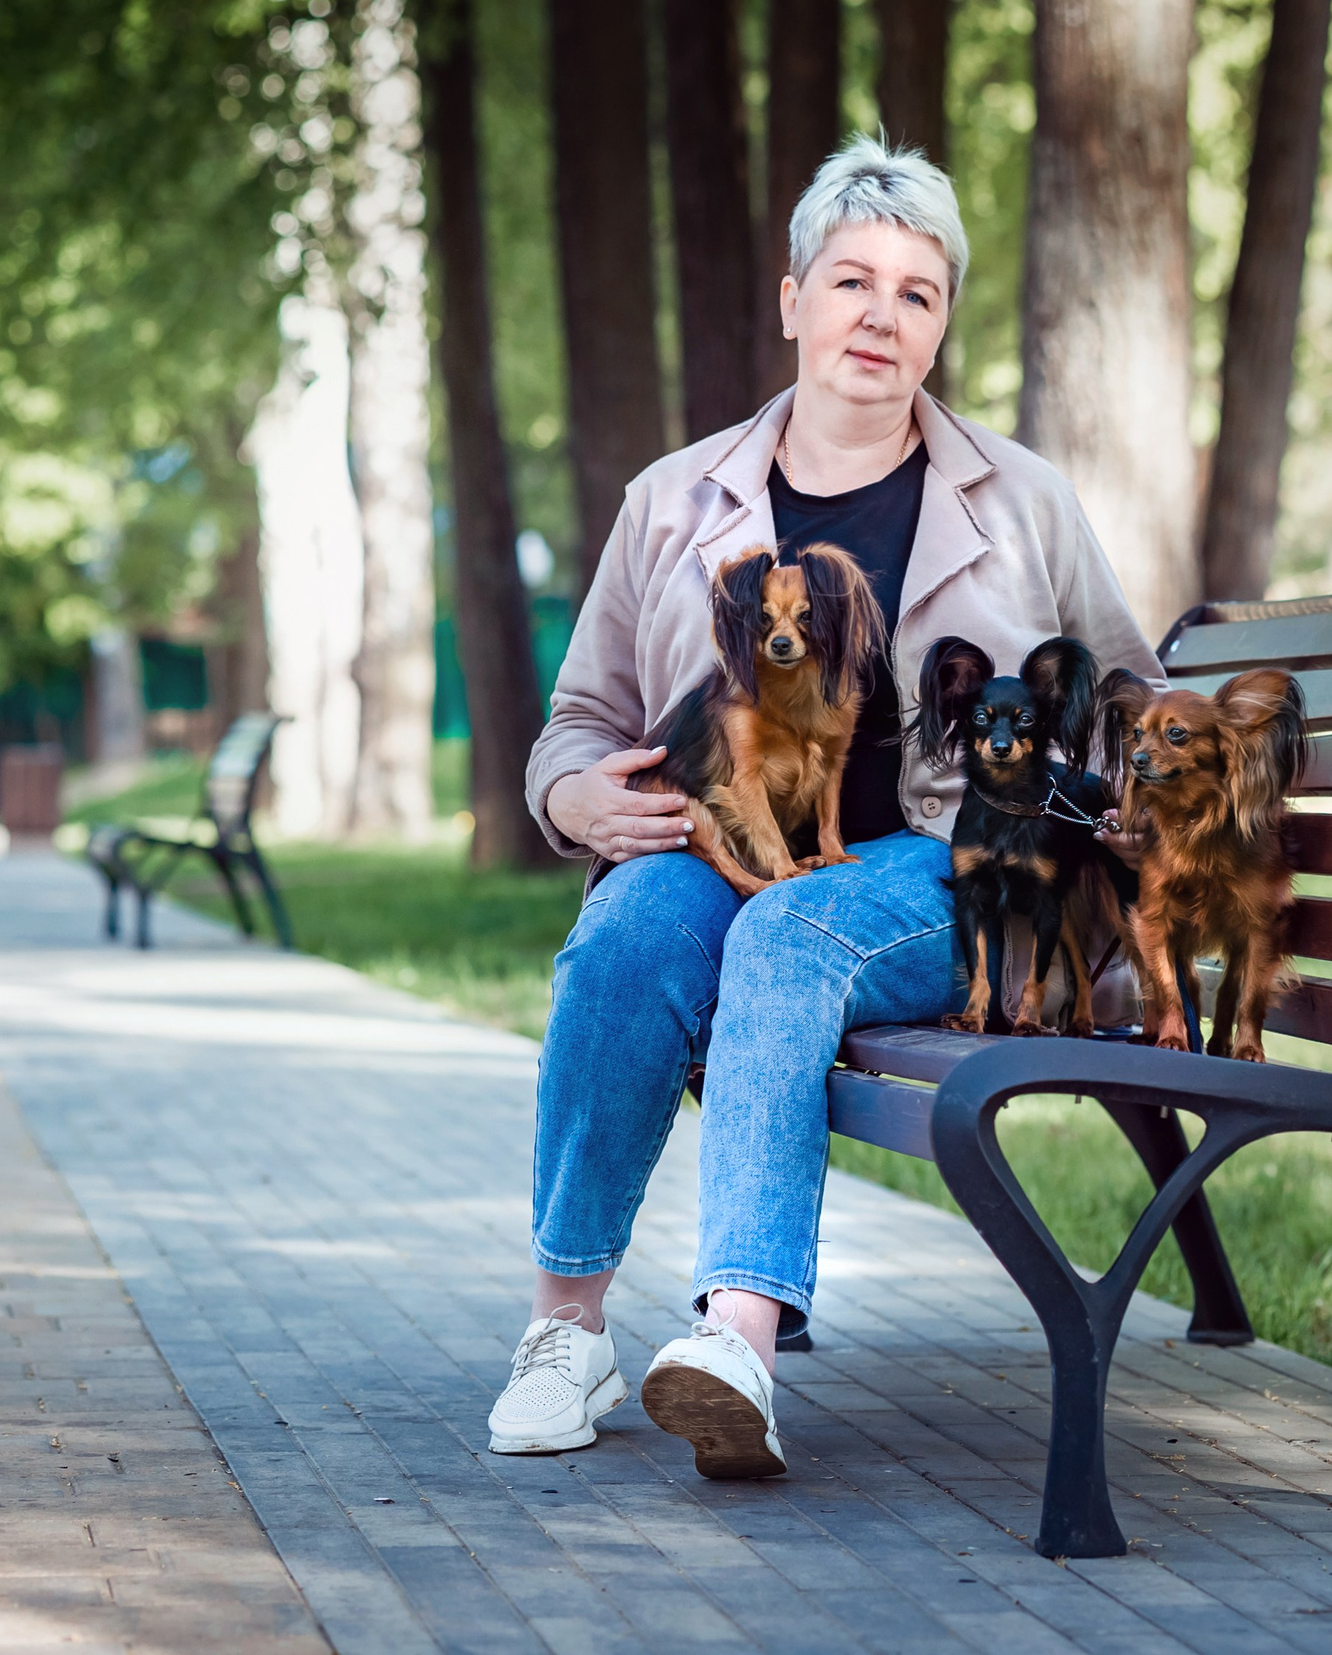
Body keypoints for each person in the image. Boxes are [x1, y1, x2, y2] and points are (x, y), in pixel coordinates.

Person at [491, 136, 1164, 1479]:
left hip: (946, 864)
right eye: (852, 281)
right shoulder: (672, 501)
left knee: (791, 933)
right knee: (627, 933)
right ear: (795, 299)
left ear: (940, 327)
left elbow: (1127, 692)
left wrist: (1130, 847)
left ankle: (737, 1334)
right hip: (722, 840)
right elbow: (581, 715)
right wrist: (572, 794)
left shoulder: (1021, 500)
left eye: (917, 293)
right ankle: (566, 1328)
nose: (880, 314)